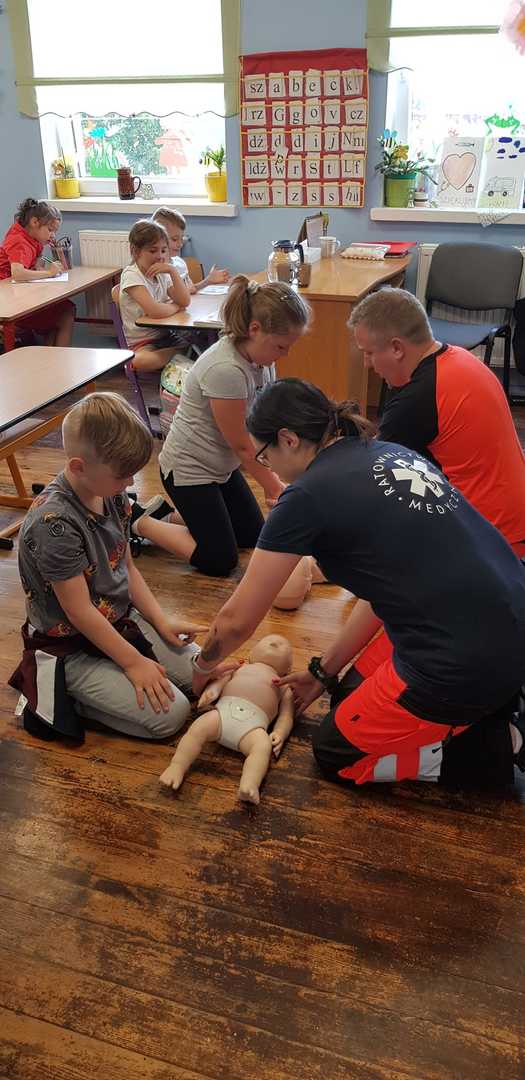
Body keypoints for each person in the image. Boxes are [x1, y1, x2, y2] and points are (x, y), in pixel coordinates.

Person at [188, 378, 525, 790]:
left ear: (288, 439)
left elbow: (236, 621)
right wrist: (322, 672)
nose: (267, 466)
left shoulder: (306, 496)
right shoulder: (388, 451)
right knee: (345, 697)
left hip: (463, 656)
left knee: (336, 753)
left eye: (264, 455)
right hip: (505, 617)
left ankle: (501, 746)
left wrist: (202, 667)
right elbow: (378, 592)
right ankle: (490, 704)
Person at [9, 392, 208, 743]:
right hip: (69, 645)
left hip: (116, 620)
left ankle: (113, 677)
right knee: (171, 716)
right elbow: (80, 613)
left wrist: (160, 621)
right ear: (78, 468)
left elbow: (125, 564)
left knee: (198, 672)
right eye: (123, 476)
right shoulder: (54, 524)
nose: (130, 484)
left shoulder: (110, 491)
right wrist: (133, 662)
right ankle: (59, 696)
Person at [131, 276, 310, 577]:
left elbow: (265, 416)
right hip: (189, 471)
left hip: (220, 468)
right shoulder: (226, 370)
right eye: (281, 346)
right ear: (255, 329)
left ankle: (164, 514)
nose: (285, 354)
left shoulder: (261, 359)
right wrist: (274, 486)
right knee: (219, 559)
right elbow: (242, 445)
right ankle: (139, 520)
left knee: (250, 535)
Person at [349, 287, 525, 556]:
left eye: (369, 353)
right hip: (512, 520)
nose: (367, 364)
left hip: (491, 540)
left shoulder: (418, 399)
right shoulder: (460, 359)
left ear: (397, 348)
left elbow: (367, 478)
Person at [160, 634, 295, 804]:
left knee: (262, 747)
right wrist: (212, 692)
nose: (276, 643)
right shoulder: (239, 668)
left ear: (288, 669)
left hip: (254, 727)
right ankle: (177, 766)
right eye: (266, 641)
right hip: (221, 713)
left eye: (283, 646)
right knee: (197, 729)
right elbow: (220, 682)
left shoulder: (285, 686)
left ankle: (250, 784)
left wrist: (280, 732)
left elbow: (287, 715)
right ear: (251, 654)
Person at [118, 219, 191, 373]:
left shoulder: (162, 273)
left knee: (202, 339)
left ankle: (183, 352)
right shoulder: (131, 275)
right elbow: (155, 311)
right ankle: (182, 353)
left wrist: (172, 271)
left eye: (163, 250)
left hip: (167, 336)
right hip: (143, 342)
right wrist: (176, 306)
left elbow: (185, 300)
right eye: (153, 251)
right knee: (139, 360)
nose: (160, 256)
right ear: (135, 251)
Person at [0, 198, 75, 346]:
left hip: (20, 293)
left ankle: (52, 357)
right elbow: (18, 273)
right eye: (50, 230)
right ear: (34, 222)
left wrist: (38, 265)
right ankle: (56, 358)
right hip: (9, 302)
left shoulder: (32, 238)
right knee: (64, 313)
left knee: (64, 309)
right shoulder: (18, 240)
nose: (53, 235)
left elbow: (34, 261)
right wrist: (49, 273)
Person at [151, 206, 229, 293]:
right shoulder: (157, 270)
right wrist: (184, 292)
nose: (180, 244)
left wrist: (209, 280)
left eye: (182, 238)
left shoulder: (180, 263)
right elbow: (164, 297)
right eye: (174, 239)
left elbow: (191, 288)